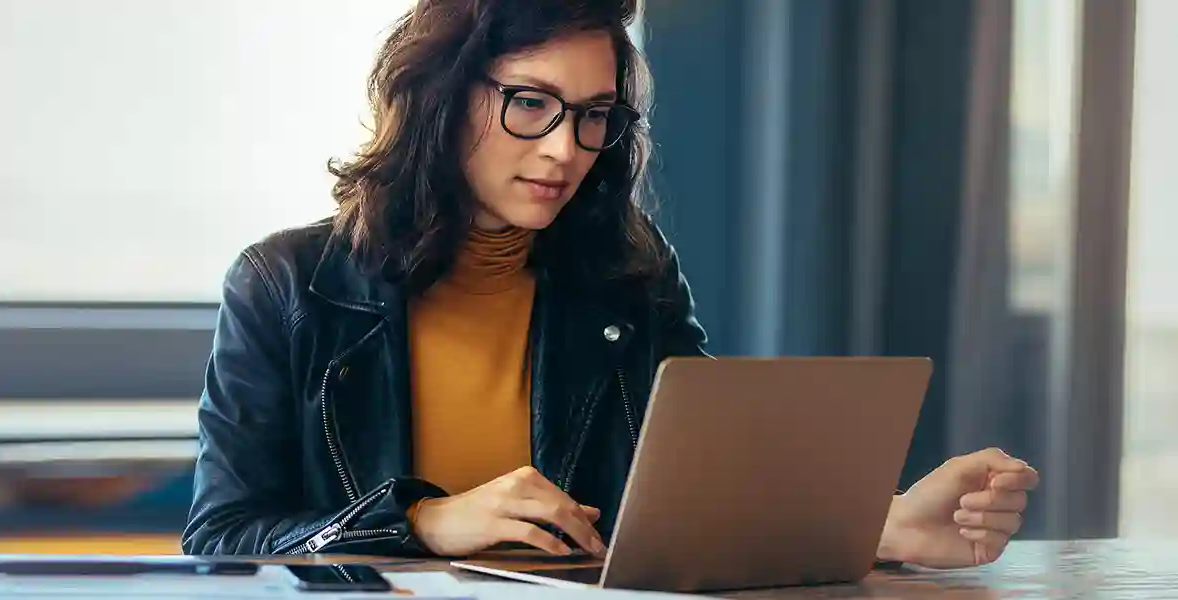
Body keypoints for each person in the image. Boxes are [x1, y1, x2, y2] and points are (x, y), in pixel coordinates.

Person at [181, 0, 1040, 569]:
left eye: (594, 115)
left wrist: (883, 524)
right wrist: (422, 523)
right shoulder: (285, 286)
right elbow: (221, 540)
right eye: (530, 103)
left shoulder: (629, 273)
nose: (565, 149)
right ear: (441, 97)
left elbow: (705, 497)